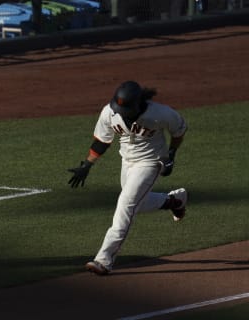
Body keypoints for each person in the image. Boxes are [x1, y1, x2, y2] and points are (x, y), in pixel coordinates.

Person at [68, 80, 187, 275]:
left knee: (125, 205)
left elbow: (180, 130)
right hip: (127, 162)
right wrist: (87, 165)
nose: (120, 113)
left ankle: (104, 259)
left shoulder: (161, 113)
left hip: (150, 163)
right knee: (137, 203)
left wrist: (171, 155)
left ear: (138, 104)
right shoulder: (109, 112)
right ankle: (174, 201)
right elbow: (102, 140)